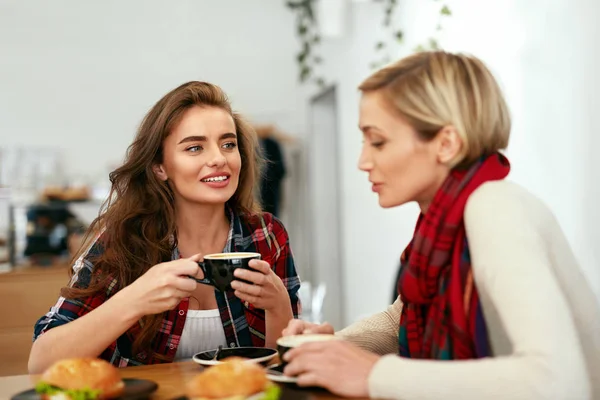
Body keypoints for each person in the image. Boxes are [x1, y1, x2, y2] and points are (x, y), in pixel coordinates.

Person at [280, 51, 600, 400]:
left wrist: (374, 373)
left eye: (378, 141)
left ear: (446, 144)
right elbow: (400, 319)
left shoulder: (495, 209)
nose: (363, 161)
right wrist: (330, 350)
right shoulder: (441, 219)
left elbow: (558, 380)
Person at [29, 81, 301, 373]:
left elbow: (282, 369)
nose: (219, 159)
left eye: (228, 144)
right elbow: (41, 363)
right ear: (160, 167)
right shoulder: (121, 242)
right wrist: (134, 300)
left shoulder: (267, 235)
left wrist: (279, 306)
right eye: (195, 147)